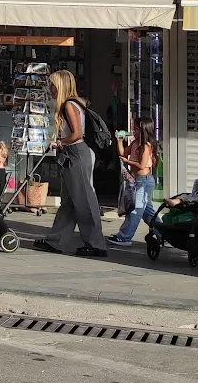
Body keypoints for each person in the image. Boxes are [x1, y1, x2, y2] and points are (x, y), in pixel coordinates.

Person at [34, 70, 107, 259]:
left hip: (77, 153)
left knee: (84, 200)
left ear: (62, 86)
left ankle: (95, 243)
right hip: (72, 155)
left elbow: (77, 134)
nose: (51, 89)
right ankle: (56, 240)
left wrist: (59, 142)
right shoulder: (74, 104)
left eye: (53, 85)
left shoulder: (69, 105)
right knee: (68, 201)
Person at [108, 119, 158, 245]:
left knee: (135, 209)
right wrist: (119, 140)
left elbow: (141, 165)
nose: (134, 132)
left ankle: (125, 236)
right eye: (133, 129)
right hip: (138, 181)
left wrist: (127, 161)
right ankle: (163, 233)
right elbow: (123, 153)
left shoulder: (146, 145)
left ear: (143, 131)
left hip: (144, 181)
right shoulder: (135, 143)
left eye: (136, 129)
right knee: (147, 212)